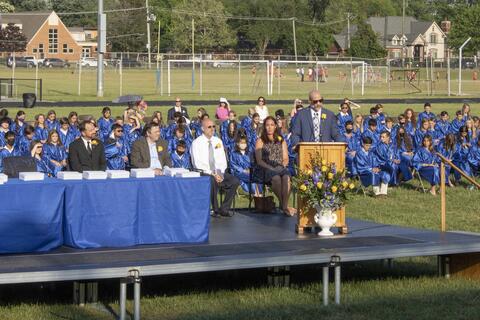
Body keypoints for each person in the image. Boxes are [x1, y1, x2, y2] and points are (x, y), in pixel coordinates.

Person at [190, 119, 240, 218]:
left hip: (217, 172)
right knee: (212, 180)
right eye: (209, 127)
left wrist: (219, 173)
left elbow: (222, 160)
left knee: (234, 181)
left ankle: (224, 209)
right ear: (202, 129)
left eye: (214, 126)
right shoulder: (196, 143)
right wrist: (212, 173)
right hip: (203, 172)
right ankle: (215, 209)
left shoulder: (218, 141)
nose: (212, 129)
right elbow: (197, 164)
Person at [254, 116, 295, 216]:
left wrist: (282, 166)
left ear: (276, 126)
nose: (270, 127)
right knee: (276, 178)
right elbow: (259, 161)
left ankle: (283, 205)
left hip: (280, 167)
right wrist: (272, 168)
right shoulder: (260, 141)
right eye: (267, 125)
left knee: (286, 177)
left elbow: (286, 158)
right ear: (264, 127)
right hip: (265, 168)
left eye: (272, 125)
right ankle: (285, 206)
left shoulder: (281, 140)